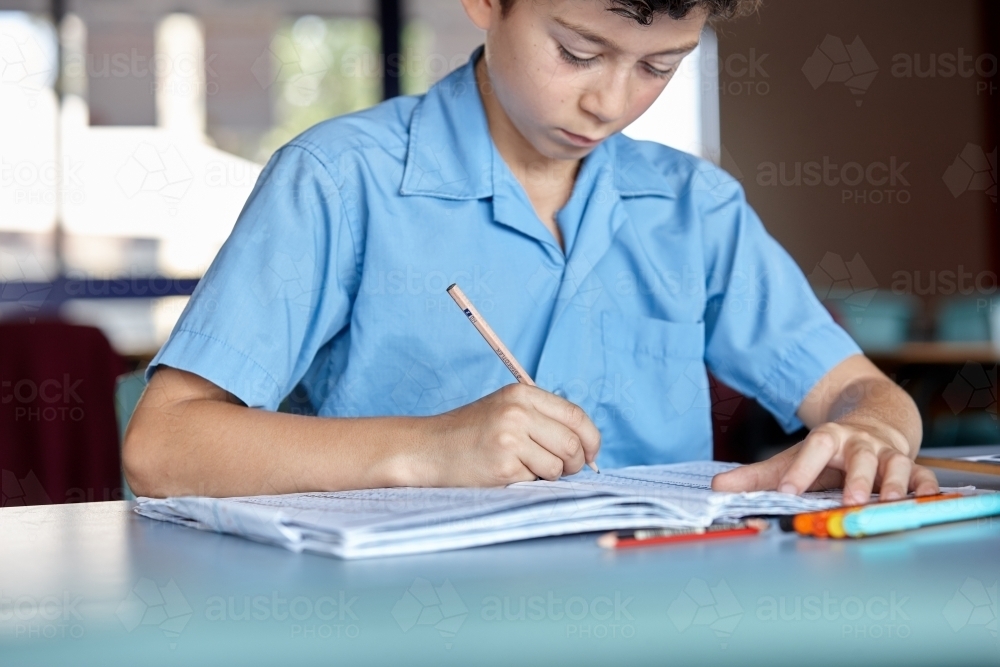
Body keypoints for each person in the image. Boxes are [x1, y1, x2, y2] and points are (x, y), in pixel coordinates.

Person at [123, 0, 939, 504]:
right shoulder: (342, 181)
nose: (609, 101)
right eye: (578, 52)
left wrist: (869, 432)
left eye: (659, 67)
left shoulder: (696, 208)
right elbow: (165, 446)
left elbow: (862, 392)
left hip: (658, 609)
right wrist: (429, 448)